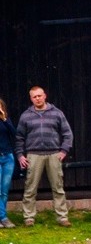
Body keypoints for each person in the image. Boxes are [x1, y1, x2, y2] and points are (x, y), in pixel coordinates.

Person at [14, 86, 73, 227]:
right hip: (33, 155)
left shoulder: (57, 113)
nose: (38, 99)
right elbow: (19, 138)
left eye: (40, 96)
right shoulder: (25, 116)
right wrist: (20, 155)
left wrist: (64, 151)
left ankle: (62, 217)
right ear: (31, 99)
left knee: (58, 187)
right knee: (30, 188)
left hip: (54, 154)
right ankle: (29, 218)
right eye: (34, 97)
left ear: (45, 96)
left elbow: (67, 133)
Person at [0, 99, 16, 228]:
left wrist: (4, 118)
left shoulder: (6, 121)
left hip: (8, 157)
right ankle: (3, 218)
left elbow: (14, 134)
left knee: (4, 190)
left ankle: (2, 216)